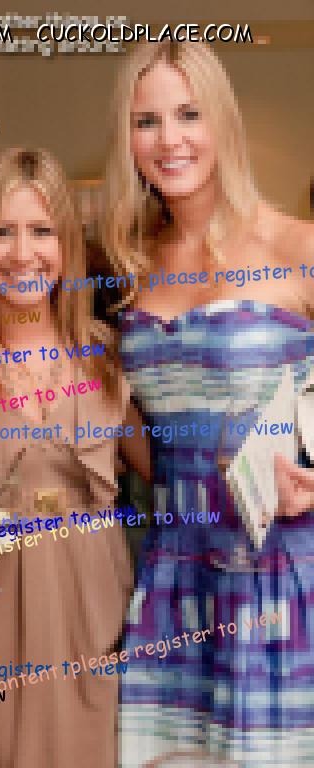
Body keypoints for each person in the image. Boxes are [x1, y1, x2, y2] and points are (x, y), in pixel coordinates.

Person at [103, 41, 314, 768]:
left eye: (189, 115)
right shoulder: (130, 268)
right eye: (147, 121)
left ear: (223, 121)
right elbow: (140, 440)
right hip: (174, 577)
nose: (170, 140)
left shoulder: (297, 246)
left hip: (284, 577)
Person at [0, 148, 133, 767]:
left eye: (41, 230)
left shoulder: (108, 357)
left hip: (94, 637)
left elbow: (177, 473)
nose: (23, 253)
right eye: (2, 232)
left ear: (68, 244)